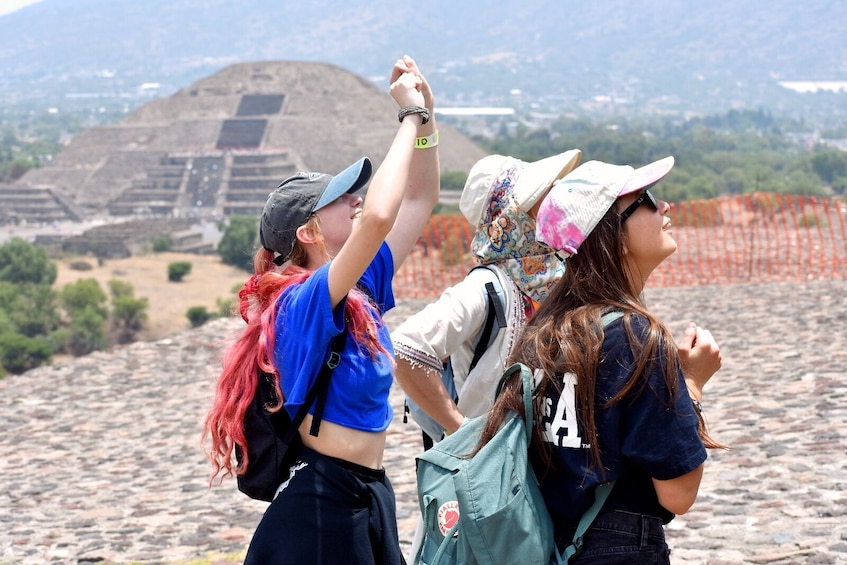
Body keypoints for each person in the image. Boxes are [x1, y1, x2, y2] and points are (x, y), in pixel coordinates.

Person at [203, 55, 439, 565]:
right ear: (307, 233)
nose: (354, 200)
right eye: (338, 199)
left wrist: (429, 122)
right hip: (322, 507)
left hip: (368, 494)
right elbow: (380, 214)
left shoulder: (359, 285)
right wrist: (408, 118)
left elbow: (419, 199)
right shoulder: (301, 301)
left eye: (352, 194)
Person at [485, 157, 724, 563]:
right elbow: (679, 493)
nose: (665, 206)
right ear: (615, 235)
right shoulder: (637, 339)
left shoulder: (543, 333)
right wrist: (693, 384)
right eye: (646, 199)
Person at [391, 149, 581, 560]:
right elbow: (408, 347)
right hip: (483, 493)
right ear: (509, 217)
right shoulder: (487, 289)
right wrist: (466, 437)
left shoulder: (548, 283)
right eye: (536, 201)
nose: (551, 204)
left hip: (530, 485)